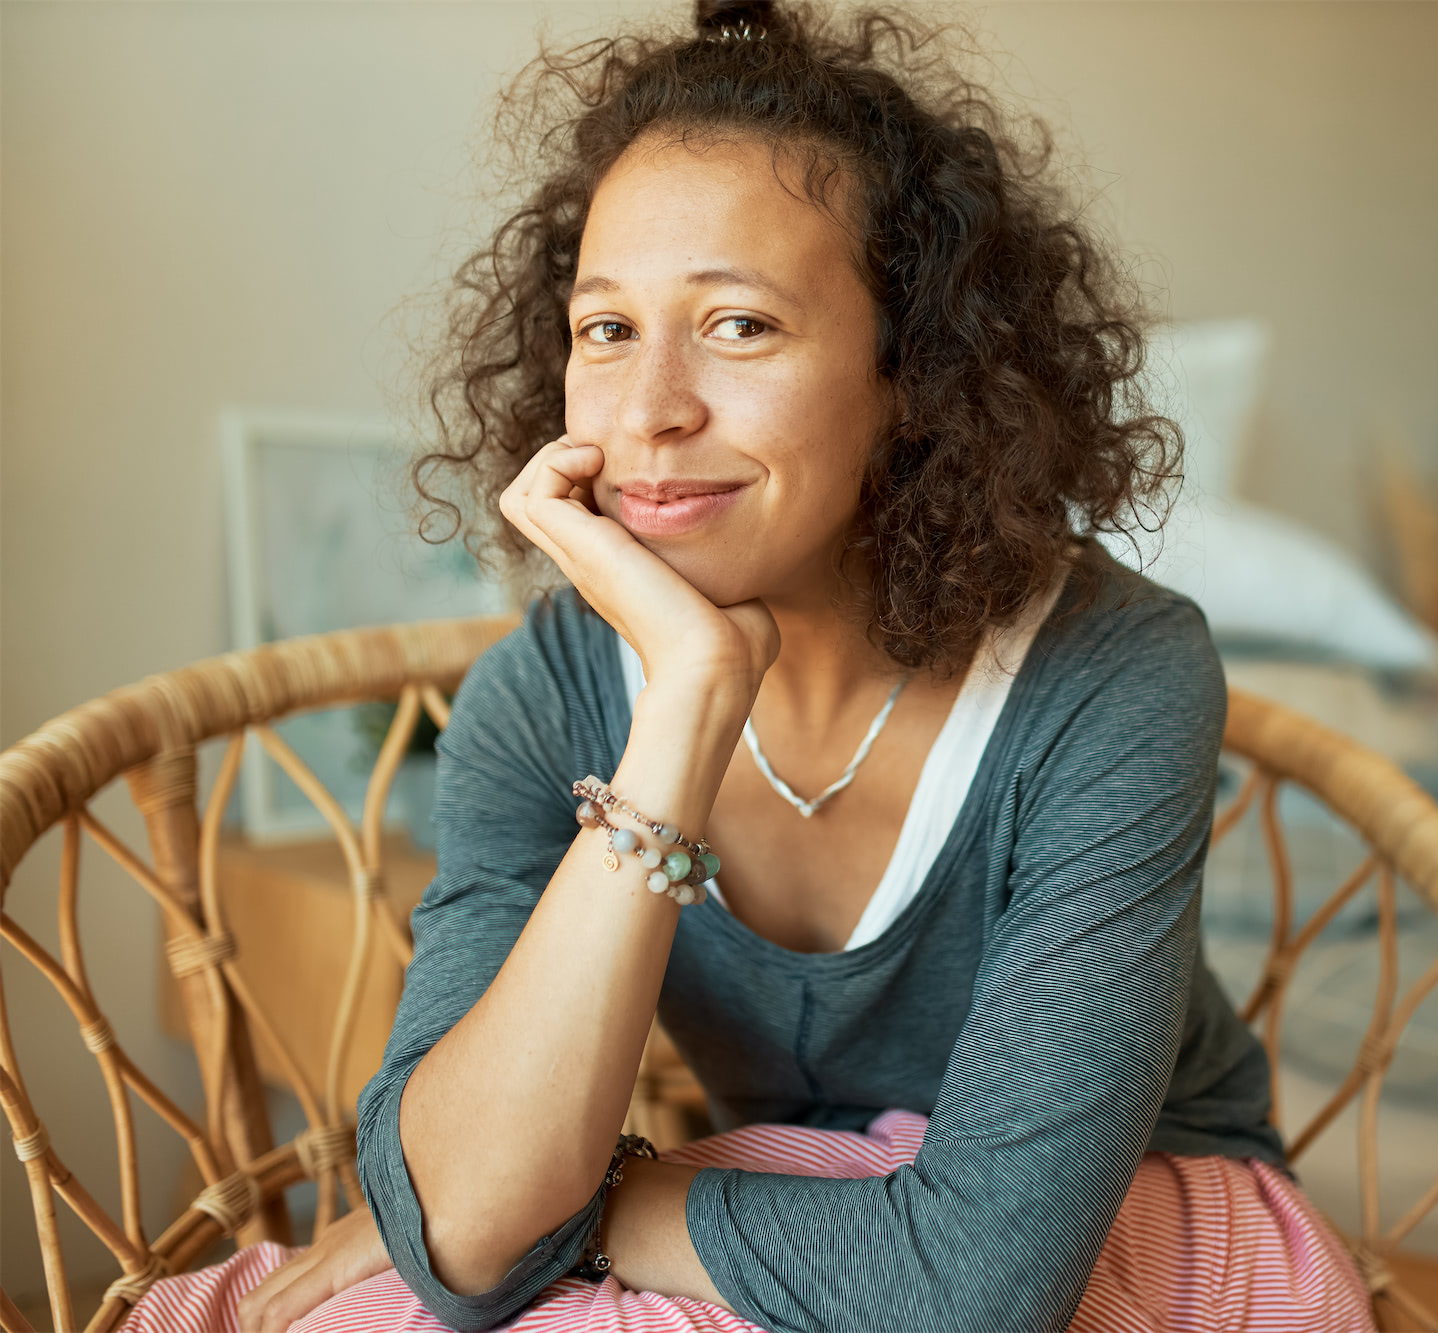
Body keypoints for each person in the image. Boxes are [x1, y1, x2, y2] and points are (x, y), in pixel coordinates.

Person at [122, 2, 1374, 1330]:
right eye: (606, 330)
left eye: (740, 326)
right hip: (788, 1224)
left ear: (914, 371)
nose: (652, 408)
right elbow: (471, 1226)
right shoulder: (545, 695)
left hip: (1128, 1222)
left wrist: (586, 1203)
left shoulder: (1114, 670)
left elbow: (979, 1286)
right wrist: (690, 696)